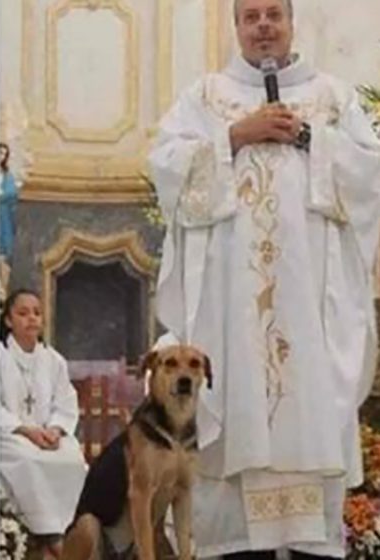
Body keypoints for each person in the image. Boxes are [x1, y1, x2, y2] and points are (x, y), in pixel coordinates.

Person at [148, 0, 380, 557]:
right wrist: (234, 135)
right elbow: (166, 165)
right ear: (236, 27)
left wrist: (307, 138)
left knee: (309, 404)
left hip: (309, 302)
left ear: (292, 21)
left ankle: (307, 544)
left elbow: (371, 174)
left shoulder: (331, 97)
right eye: (250, 17)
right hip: (231, 307)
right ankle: (236, 545)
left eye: (273, 14)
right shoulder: (204, 98)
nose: (263, 27)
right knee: (238, 405)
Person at [0, 289, 86, 559]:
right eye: (22, 313)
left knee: (72, 460)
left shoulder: (53, 360)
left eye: (36, 313)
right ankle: (46, 534)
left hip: (49, 434)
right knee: (27, 461)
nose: (31, 319)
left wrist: (56, 429)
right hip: (12, 433)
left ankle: (66, 530)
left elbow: (66, 401)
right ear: (8, 320)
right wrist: (27, 430)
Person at [0, 142, 17, 260]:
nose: (2, 156)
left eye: (4, 154)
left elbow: (12, 193)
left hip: (3, 213)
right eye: (0, 153)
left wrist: (1, 196)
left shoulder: (7, 175)